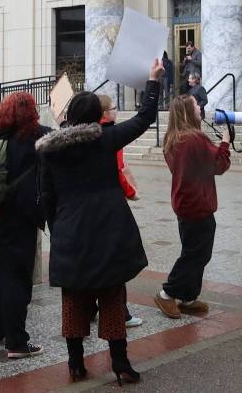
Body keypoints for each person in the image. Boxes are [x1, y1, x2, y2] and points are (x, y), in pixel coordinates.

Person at [36, 59, 164, 384]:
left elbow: (46, 196)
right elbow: (145, 117)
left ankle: (76, 364)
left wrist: (57, 226)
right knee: (111, 294)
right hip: (109, 228)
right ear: (97, 117)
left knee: (73, 298)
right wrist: (153, 80)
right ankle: (121, 364)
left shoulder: (50, 151)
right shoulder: (105, 138)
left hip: (69, 231)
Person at [0, 92, 50, 358]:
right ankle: (17, 342)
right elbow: (63, 140)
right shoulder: (34, 136)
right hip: (17, 218)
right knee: (16, 279)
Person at [154, 95, 230, 320]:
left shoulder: (174, 138)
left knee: (194, 250)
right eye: (196, 105)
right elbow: (219, 164)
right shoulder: (194, 139)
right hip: (198, 204)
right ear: (187, 111)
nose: (200, 107)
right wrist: (225, 142)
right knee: (196, 254)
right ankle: (167, 294)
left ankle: (187, 297)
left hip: (185, 203)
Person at [95, 95, 143, 330]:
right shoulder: (111, 136)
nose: (117, 112)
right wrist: (131, 192)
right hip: (111, 207)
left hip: (94, 209)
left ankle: (93, 306)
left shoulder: (88, 134)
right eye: (114, 108)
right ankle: (120, 313)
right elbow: (117, 169)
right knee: (116, 262)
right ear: (104, 113)